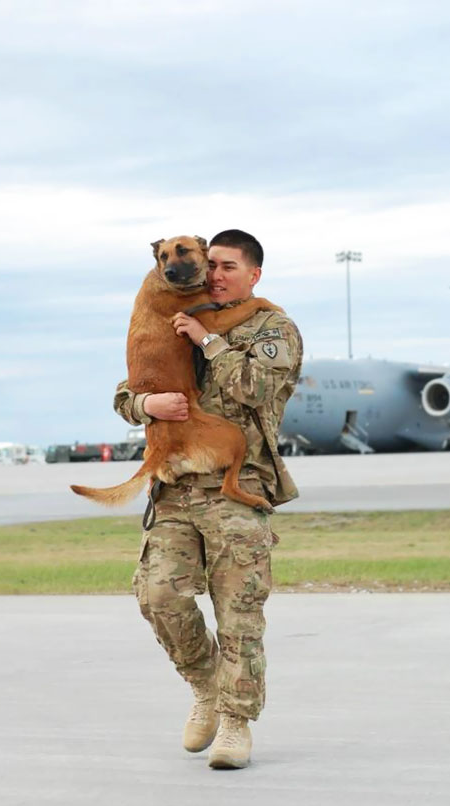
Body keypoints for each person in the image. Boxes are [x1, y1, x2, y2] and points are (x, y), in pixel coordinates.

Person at [114, 229, 302, 769]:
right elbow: (125, 393)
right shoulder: (177, 311)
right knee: (158, 596)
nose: (215, 276)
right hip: (173, 484)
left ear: (253, 275)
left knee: (239, 613)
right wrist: (147, 402)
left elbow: (256, 389)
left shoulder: (273, 327)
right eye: (211, 265)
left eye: (227, 267)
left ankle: (237, 724)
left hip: (236, 490)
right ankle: (205, 689)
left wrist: (206, 340)